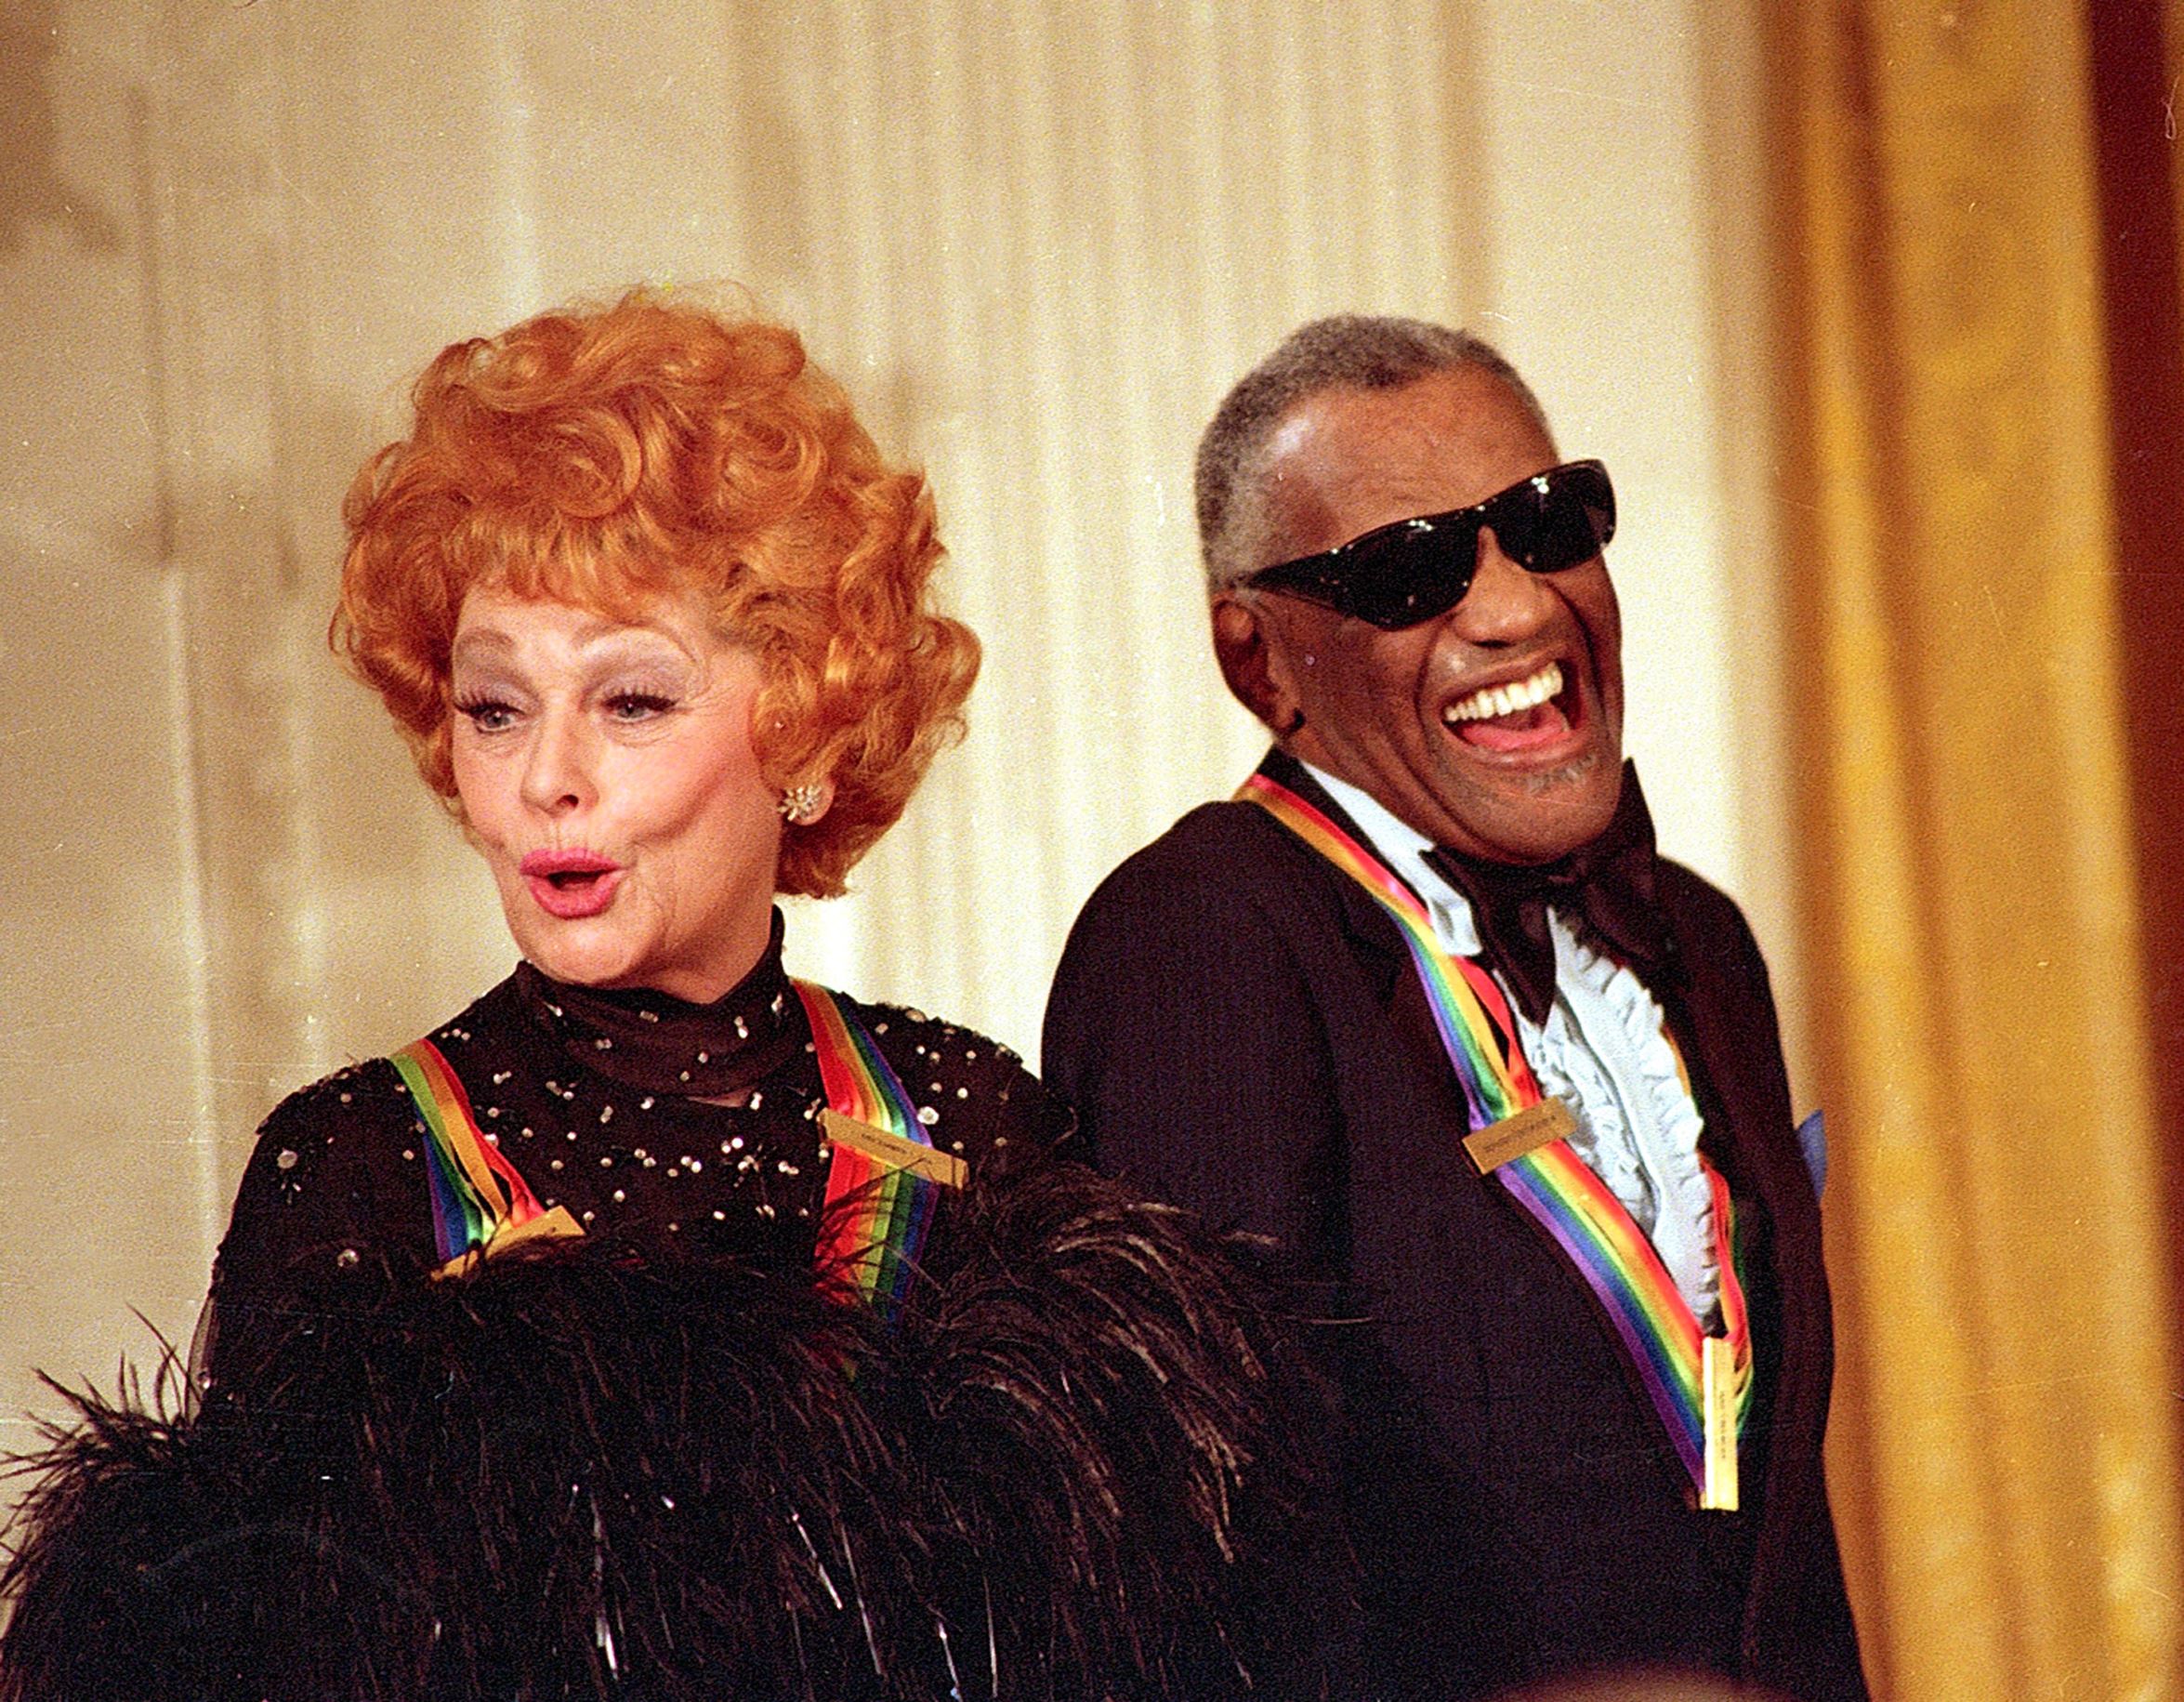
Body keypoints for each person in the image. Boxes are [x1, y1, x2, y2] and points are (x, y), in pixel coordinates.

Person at [1, 292, 1323, 1702]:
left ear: (804, 727)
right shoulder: (358, 1162)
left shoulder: (971, 1117)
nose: (544, 778)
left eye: (630, 702)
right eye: (494, 707)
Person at [1044, 316, 1868, 1702]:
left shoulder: (1696, 938)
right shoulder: (1200, 938)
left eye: (1547, 524)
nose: (1515, 609)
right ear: (1257, 664)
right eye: (1406, 569)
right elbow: (1209, 1584)